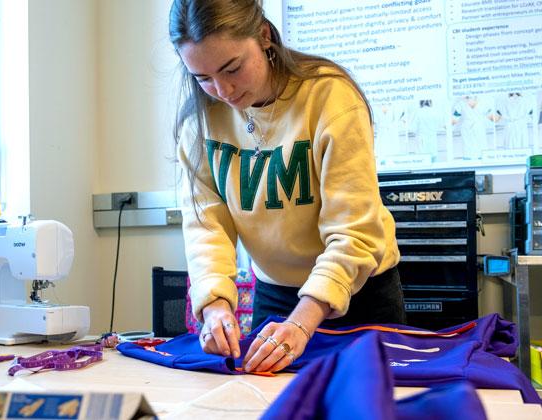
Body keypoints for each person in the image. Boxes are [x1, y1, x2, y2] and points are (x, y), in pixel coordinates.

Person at [169, 0, 405, 374]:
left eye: (232, 68)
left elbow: (354, 232)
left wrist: (302, 322)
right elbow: (205, 226)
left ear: (264, 36)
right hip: (276, 293)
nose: (223, 89)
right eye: (203, 77)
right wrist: (214, 304)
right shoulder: (198, 123)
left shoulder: (330, 97)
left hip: (361, 291)